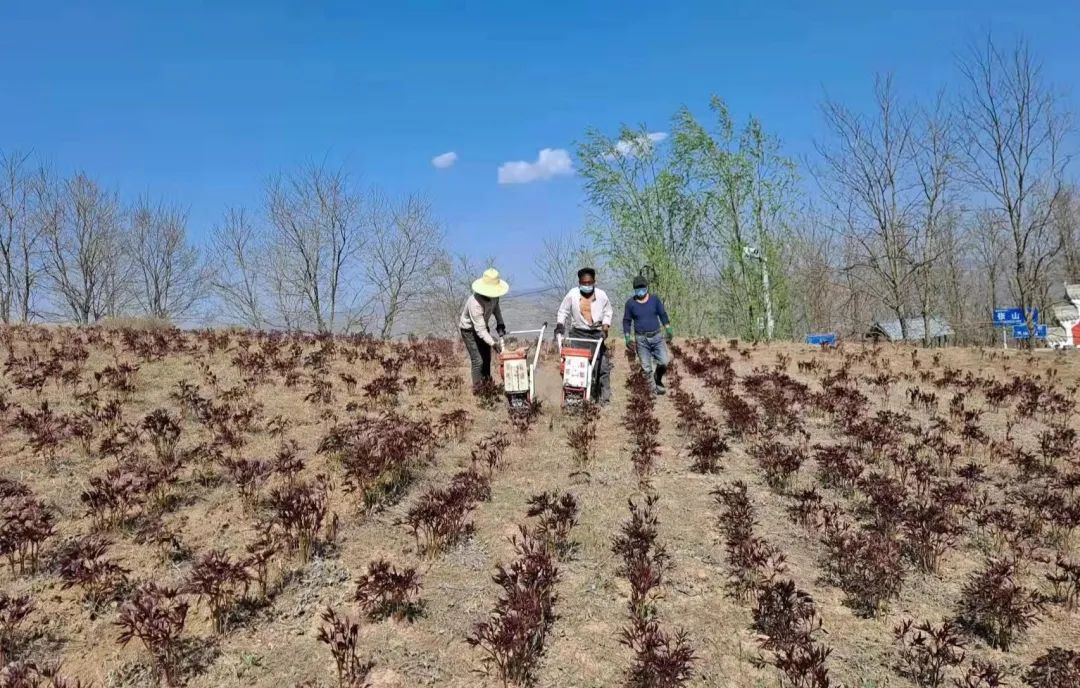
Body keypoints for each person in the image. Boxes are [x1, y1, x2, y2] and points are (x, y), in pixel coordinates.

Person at [554, 267, 613, 404]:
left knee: (602, 367)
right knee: (577, 368)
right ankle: (578, 396)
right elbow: (563, 311)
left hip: (596, 334)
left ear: (594, 282)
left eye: (589, 283)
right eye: (584, 283)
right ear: (579, 283)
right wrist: (560, 325)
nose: (587, 286)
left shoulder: (601, 295)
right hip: (578, 334)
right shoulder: (572, 294)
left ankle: (604, 398)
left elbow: (608, 312)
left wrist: (605, 328)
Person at [459, 268, 509, 391]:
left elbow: (496, 308)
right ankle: (478, 391)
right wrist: (493, 343)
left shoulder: (495, 297)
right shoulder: (475, 303)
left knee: (487, 359)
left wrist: (500, 323)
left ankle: (488, 388)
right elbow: (480, 330)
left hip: (482, 326)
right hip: (469, 330)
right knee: (478, 360)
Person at [622, 275, 673, 395]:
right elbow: (627, 321)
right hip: (641, 339)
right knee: (646, 368)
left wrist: (669, 330)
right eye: (637, 288)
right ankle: (652, 391)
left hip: (657, 336)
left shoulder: (654, 300)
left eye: (642, 287)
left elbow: (663, 314)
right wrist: (627, 338)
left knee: (664, 361)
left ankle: (658, 378)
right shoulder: (630, 304)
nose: (640, 290)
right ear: (634, 289)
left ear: (647, 287)